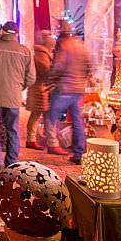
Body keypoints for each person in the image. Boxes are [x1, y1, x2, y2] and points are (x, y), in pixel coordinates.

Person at [0, 21, 35, 169]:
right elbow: (31, 77)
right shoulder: (24, 51)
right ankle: (11, 161)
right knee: (13, 128)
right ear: (16, 34)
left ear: (2, 32)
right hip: (14, 96)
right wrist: (18, 88)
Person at [46, 21, 91, 164]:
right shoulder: (80, 45)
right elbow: (89, 66)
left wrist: (49, 78)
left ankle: (52, 143)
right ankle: (79, 153)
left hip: (65, 89)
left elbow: (59, 66)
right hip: (78, 89)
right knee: (78, 122)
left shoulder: (63, 46)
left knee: (50, 116)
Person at [26, 30, 56, 151]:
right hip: (40, 90)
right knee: (39, 115)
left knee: (37, 115)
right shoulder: (41, 55)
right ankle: (35, 140)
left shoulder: (41, 53)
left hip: (41, 89)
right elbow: (46, 71)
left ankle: (35, 139)